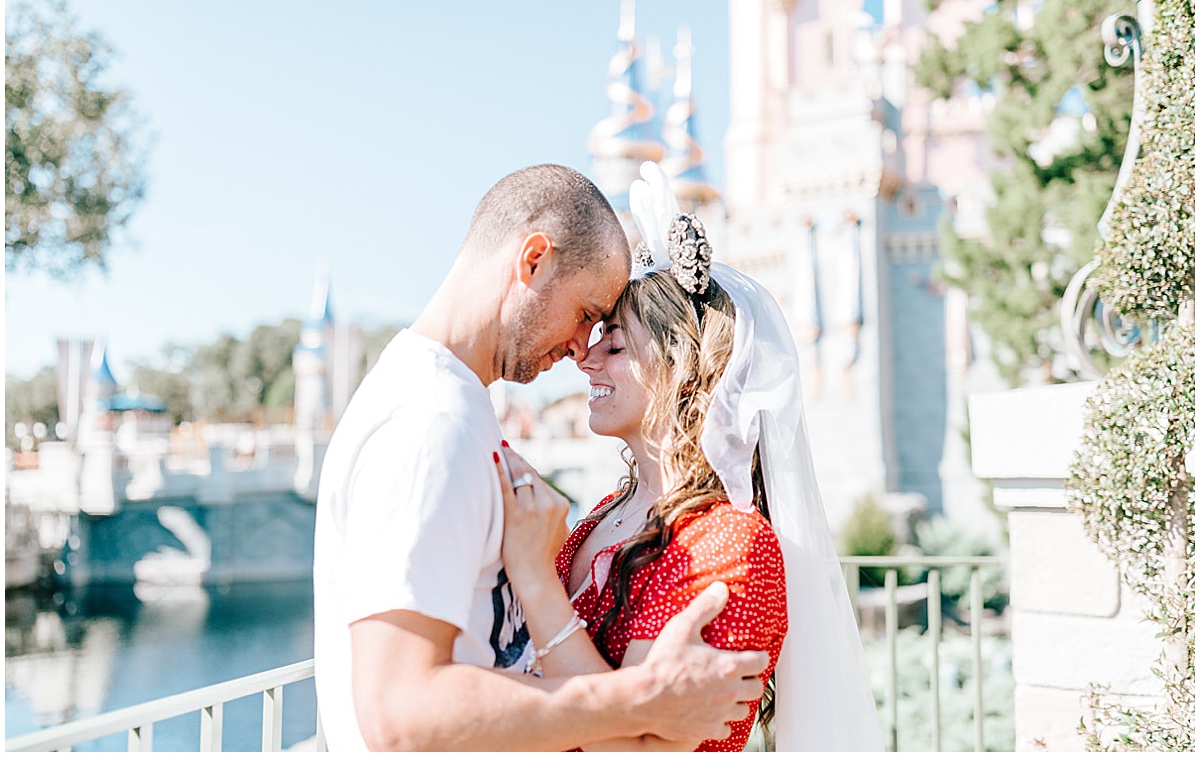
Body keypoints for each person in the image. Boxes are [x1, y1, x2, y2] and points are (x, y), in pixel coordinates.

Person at [312, 163, 770, 751]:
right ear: (533, 261)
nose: (583, 349)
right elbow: (399, 715)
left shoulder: (448, 407)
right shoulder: (432, 421)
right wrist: (643, 700)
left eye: (608, 333)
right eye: (586, 314)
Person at [495, 161, 885, 751]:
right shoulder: (604, 517)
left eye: (617, 344)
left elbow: (637, 745)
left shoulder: (728, 544)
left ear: (684, 371)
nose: (586, 360)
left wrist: (532, 575)